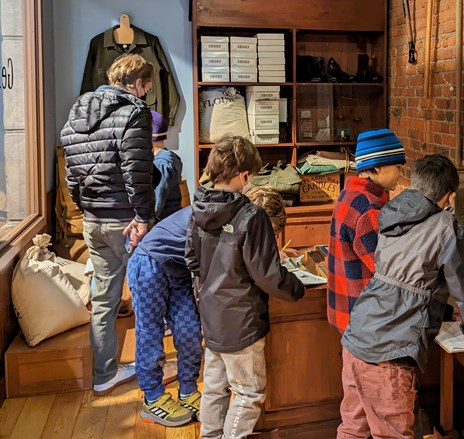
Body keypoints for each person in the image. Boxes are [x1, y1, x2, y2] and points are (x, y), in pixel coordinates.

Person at [338, 154, 464, 438]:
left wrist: (444, 313)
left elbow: (402, 281)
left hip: (357, 337)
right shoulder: (446, 225)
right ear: (451, 196)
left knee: (353, 430)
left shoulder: (390, 212)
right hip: (390, 352)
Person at [185, 136, 305, 439]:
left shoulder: (197, 208)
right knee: (248, 393)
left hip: (211, 316)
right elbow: (268, 276)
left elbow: (192, 260)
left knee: (213, 387)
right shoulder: (251, 216)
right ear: (245, 176)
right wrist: (297, 288)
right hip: (243, 321)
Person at [60, 53, 155, 396]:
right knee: (148, 294)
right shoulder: (135, 111)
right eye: (147, 88)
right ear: (139, 83)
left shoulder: (77, 111)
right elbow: (137, 171)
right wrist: (143, 216)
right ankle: (150, 372)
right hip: (126, 221)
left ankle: (103, 374)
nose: (146, 94)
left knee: (103, 299)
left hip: (93, 219)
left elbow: (72, 172)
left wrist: (85, 208)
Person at [126, 206, 203, 427]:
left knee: (190, 331)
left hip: (178, 270)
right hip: (148, 264)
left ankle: (188, 391)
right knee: (150, 334)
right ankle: (152, 397)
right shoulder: (219, 210)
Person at [327, 128, 406, 334]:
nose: (400, 173)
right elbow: (389, 273)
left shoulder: (349, 195)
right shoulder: (367, 209)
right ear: (378, 167)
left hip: (349, 317)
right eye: (398, 166)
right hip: (368, 325)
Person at [151, 110, 183, 221]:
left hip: (162, 224)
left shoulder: (162, 163)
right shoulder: (167, 158)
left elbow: (157, 200)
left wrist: (146, 221)